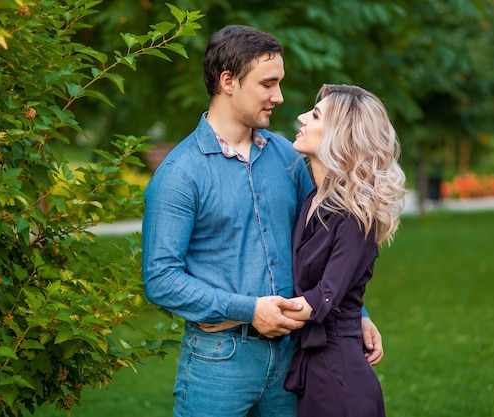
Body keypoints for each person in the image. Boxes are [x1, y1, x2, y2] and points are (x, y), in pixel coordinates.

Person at [141, 26, 383, 417]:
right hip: (218, 361)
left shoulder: (287, 157)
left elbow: (330, 244)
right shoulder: (180, 174)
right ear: (228, 82)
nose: (280, 97)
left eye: (280, 83)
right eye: (268, 84)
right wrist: (248, 309)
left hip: (295, 354)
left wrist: (358, 314)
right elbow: (160, 279)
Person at [282, 84, 406, 417]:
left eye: (316, 114)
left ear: (340, 135)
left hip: (339, 380)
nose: (302, 117)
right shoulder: (312, 199)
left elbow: (323, 298)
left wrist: (247, 313)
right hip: (315, 372)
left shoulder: (354, 218)